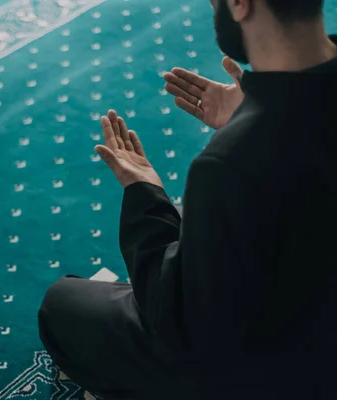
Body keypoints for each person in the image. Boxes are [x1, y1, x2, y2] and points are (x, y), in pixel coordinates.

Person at [38, 0, 337, 399]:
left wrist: (143, 190)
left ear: (240, 4)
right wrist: (256, 110)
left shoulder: (231, 163)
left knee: (62, 305)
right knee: (187, 222)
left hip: (290, 370)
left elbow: (181, 325)